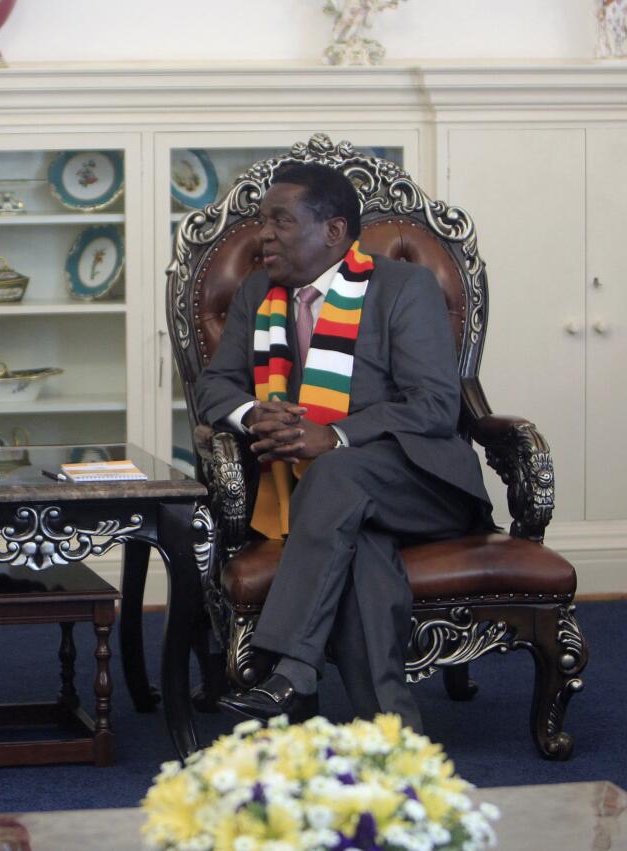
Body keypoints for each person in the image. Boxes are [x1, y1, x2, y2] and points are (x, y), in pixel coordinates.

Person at [194, 162, 492, 732]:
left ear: (334, 231)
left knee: (336, 474)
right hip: (325, 504)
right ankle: (393, 736)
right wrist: (255, 411)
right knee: (362, 553)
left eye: (281, 220)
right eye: (261, 221)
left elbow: (434, 404)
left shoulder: (403, 287)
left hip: (422, 484)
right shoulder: (259, 292)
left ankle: (288, 663)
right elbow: (215, 384)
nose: (264, 234)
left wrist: (333, 436)